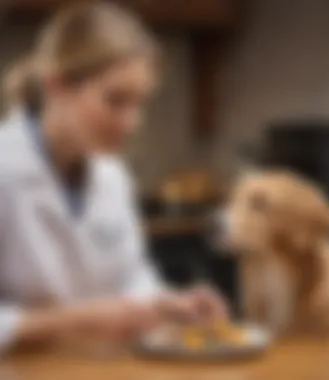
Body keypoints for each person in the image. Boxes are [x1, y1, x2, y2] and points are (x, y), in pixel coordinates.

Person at [0, 2, 227, 353]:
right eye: (115, 100)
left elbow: (130, 278)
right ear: (57, 86)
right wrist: (73, 322)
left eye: (140, 103)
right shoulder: (6, 169)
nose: (132, 124)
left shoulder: (111, 175)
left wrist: (166, 304)